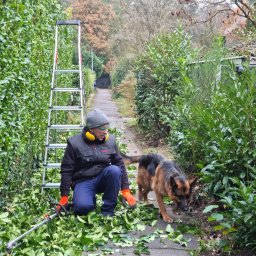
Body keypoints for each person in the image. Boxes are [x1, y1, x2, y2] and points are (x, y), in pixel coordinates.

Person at [57, 108, 137, 216]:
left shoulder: (111, 141)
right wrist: (64, 196)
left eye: (107, 128)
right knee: (82, 209)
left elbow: (120, 164)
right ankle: (88, 201)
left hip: (102, 179)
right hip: (83, 181)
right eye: (102, 128)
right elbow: (66, 170)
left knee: (115, 170)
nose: (105, 131)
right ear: (91, 129)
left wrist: (125, 190)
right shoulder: (74, 143)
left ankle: (108, 211)